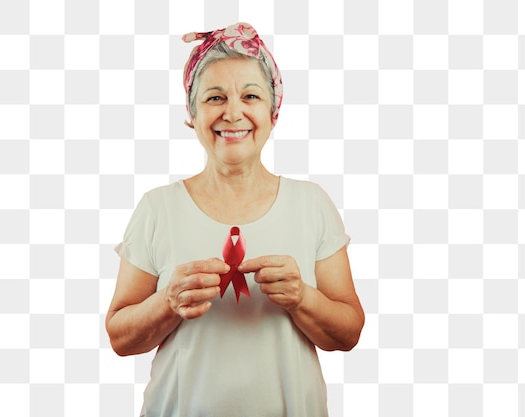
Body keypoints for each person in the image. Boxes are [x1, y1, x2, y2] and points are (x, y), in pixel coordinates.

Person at [105, 22, 364, 417]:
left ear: (272, 111)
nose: (233, 112)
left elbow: (348, 333)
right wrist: (167, 301)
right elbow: (120, 338)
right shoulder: (157, 209)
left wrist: (303, 298)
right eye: (214, 97)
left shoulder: (312, 205)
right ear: (192, 114)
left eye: (250, 96)